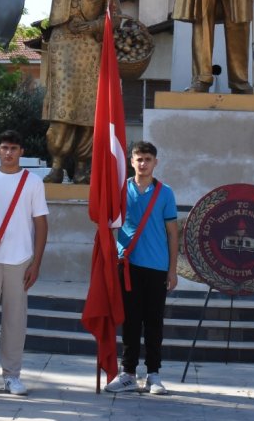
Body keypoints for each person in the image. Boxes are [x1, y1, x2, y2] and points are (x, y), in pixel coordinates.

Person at [23, 0, 121, 184]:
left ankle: (82, 167)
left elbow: (116, 17)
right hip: (62, 47)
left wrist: (92, 26)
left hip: (90, 50)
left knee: (87, 113)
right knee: (61, 110)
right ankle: (56, 165)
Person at [0, 130, 49, 396]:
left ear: (22, 152)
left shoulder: (33, 182)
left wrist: (36, 263)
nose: (8, 153)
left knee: (15, 320)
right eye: (4, 147)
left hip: (20, 260)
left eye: (14, 148)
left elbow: (41, 223)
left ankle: (12, 375)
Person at [104, 141, 179, 395]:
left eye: (148, 159)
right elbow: (108, 222)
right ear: (132, 162)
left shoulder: (165, 192)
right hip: (128, 265)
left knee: (154, 322)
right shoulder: (120, 189)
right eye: (139, 159)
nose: (143, 163)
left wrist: (172, 269)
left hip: (157, 266)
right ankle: (128, 373)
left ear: (155, 162)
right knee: (130, 321)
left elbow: (172, 233)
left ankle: (154, 374)